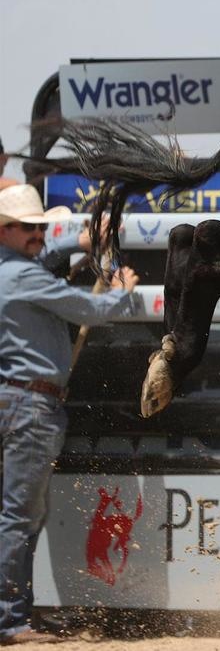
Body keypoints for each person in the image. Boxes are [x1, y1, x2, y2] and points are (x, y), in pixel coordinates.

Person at [0, 184, 138, 645]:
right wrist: (122, 292)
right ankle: (10, 619)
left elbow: (38, 267)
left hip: (16, 399)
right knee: (21, 515)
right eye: (28, 227)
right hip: (32, 405)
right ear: (5, 230)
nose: (37, 233)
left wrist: (74, 244)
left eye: (40, 227)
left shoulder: (12, 271)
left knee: (19, 514)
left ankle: (15, 614)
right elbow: (90, 310)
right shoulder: (25, 277)